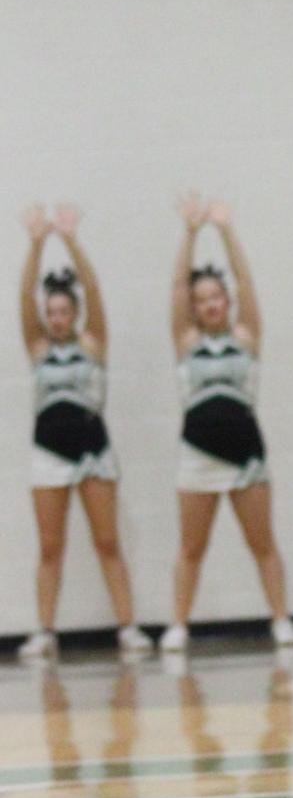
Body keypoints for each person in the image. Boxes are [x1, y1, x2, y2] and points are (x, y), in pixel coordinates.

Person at [161, 195, 293, 655]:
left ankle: (280, 620)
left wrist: (225, 230)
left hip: (245, 452)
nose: (209, 304)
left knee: (262, 542)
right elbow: (177, 288)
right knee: (190, 547)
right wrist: (188, 232)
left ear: (226, 301)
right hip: (196, 455)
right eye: (201, 300)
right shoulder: (185, 341)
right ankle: (179, 626)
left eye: (215, 297)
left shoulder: (245, 335)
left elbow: (245, 281)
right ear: (196, 308)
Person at [18, 203, 151, 660]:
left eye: (62, 311)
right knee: (49, 547)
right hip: (48, 453)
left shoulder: (92, 342)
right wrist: (36, 244)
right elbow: (22, 299)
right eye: (49, 311)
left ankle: (128, 627)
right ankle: (45, 632)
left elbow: (92, 291)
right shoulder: (36, 346)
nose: (56, 318)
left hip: (93, 449)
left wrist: (71, 241)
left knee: (107, 541)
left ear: (73, 313)